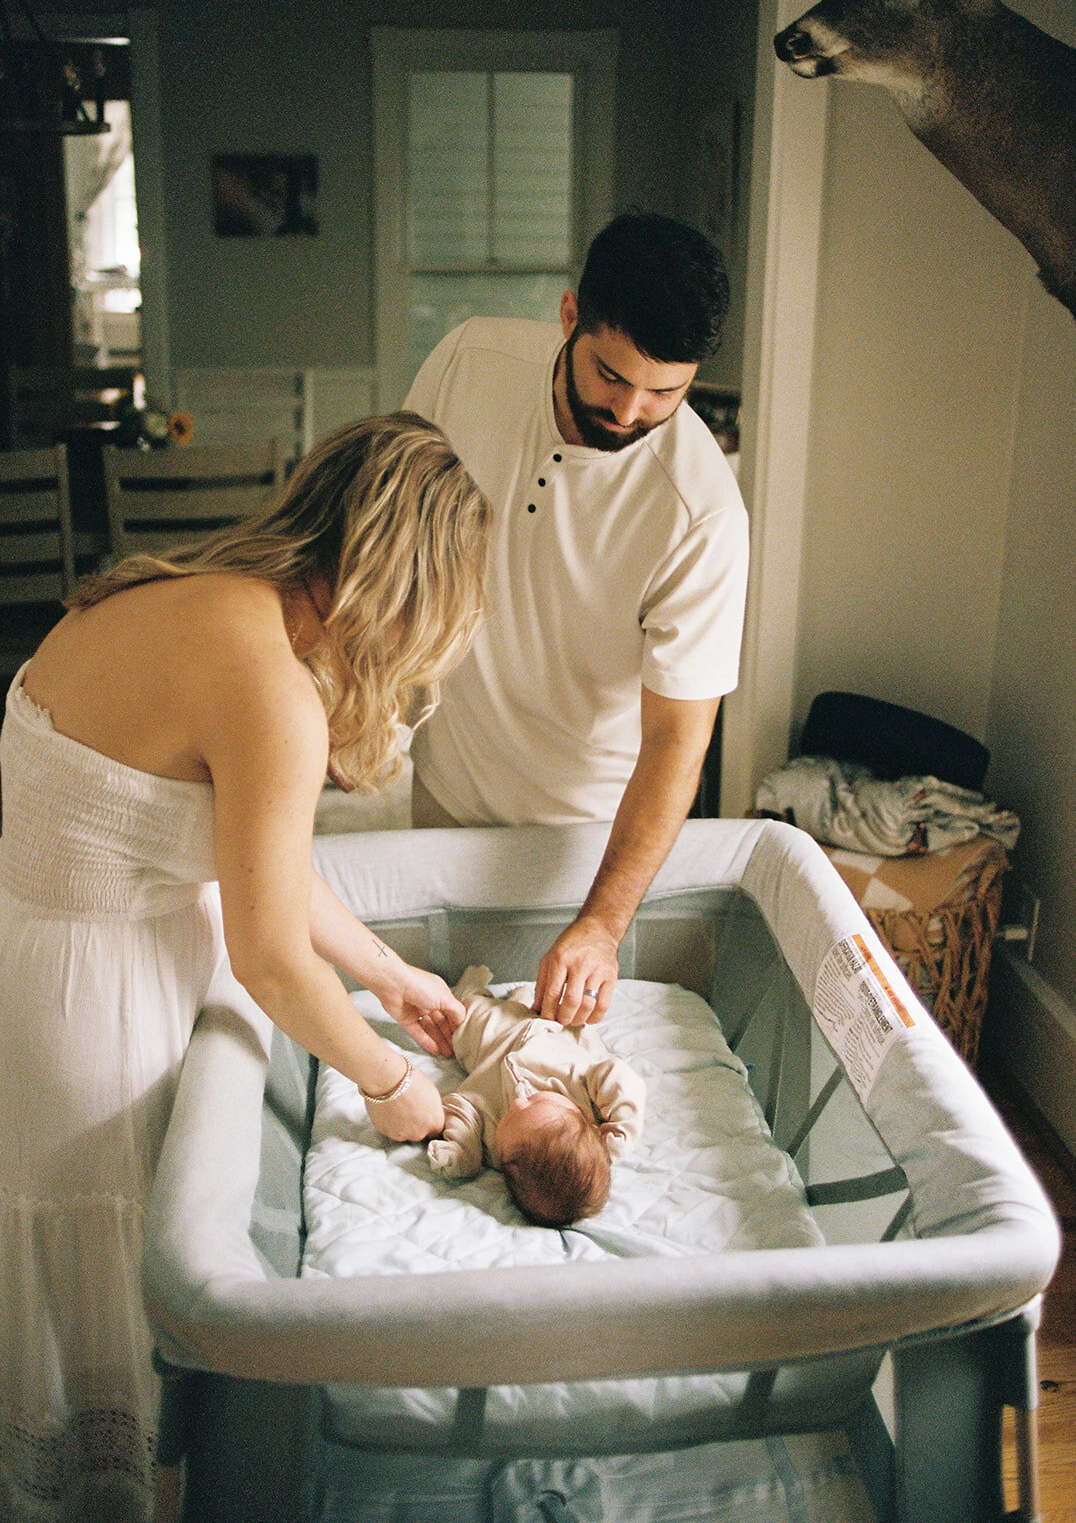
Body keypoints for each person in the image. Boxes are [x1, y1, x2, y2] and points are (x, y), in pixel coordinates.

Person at [0, 412, 490, 1521]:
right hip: (98, 1009)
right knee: (123, 1280)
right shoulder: (271, 686)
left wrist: (387, 976)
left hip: (31, 961)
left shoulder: (173, 591)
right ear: (403, 588)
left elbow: (249, 856)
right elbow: (265, 953)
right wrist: (388, 1082)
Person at [404, 212, 750, 1031]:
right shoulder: (468, 360)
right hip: (444, 787)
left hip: (580, 840)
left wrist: (601, 925)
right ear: (569, 318)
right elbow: (397, 537)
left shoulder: (700, 513)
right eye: (611, 375)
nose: (631, 411)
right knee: (440, 1033)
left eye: (666, 391)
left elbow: (678, 743)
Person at [427, 966, 646, 1226]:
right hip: (558, 1023)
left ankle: (472, 989)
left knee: (464, 1020)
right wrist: (622, 1129)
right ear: (581, 1116)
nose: (518, 1102)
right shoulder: (589, 1095)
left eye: (509, 1118)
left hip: (497, 1040)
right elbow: (618, 1075)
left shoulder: (499, 1149)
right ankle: (519, 1001)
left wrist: (463, 1149)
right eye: (540, 1100)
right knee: (556, 1006)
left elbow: (462, 1107)